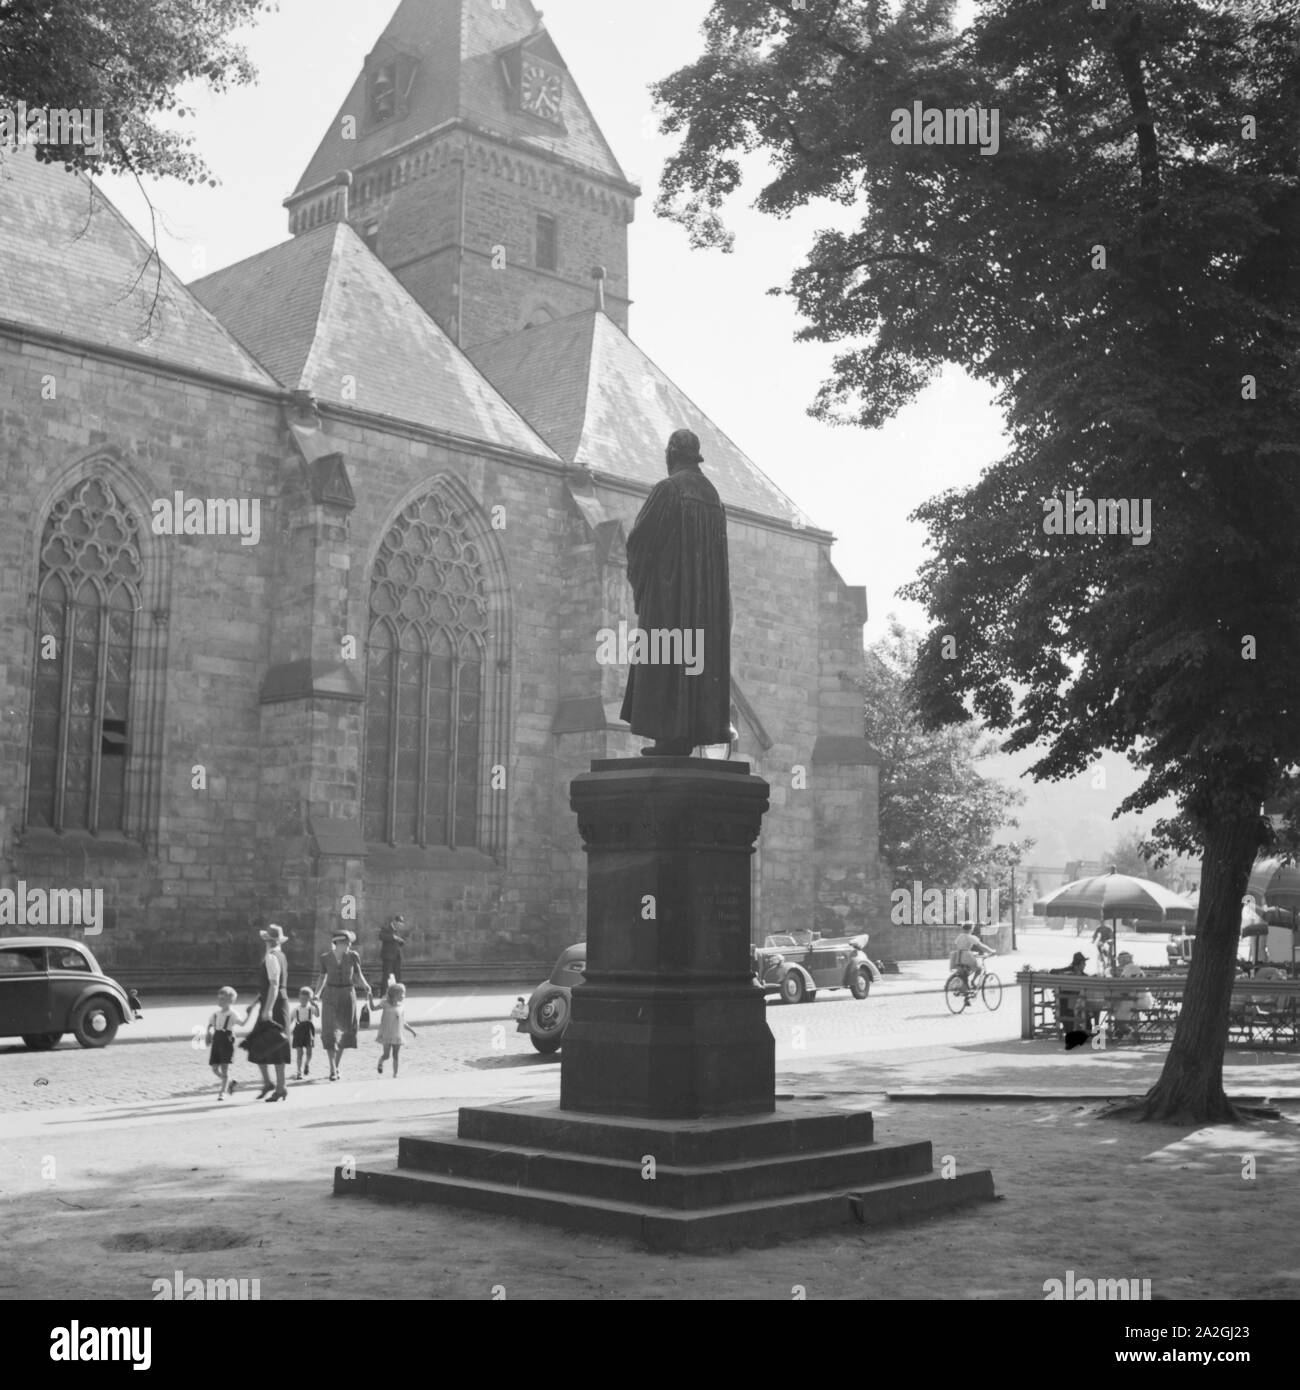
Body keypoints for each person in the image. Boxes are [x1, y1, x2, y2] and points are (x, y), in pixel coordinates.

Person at [619, 428, 732, 756]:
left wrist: (643, 586)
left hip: (669, 602)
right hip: (705, 609)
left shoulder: (668, 490)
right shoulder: (714, 498)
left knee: (666, 660)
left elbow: (639, 542)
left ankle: (667, 737)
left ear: (672, 454)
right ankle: (685, 738)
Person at [315, 929, 373, 1081]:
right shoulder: (325, 958)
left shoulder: (353, 956)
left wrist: (366, 985)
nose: (348, 945)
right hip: (330, 995)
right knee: (330, 1031)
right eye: (346, 943)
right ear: (337, 943)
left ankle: (336, 1065)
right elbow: (322, 977)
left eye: (349, 943)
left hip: (348, 994)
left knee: (345, 1030)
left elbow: (358, 974)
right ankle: (332, 1069)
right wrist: (316, 994)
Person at [243, 924, 292, 1101]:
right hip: (273, 1003)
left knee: (275, 1045)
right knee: (259, 1044)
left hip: (274, 1005)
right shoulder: (280, 956)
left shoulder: (271, 957)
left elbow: (274, 985)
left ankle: (279, 1087)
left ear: (267, 941)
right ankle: (270, 1084)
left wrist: (267, 1009)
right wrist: (256, 1003)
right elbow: (268, 986)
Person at [205, 987, 247, 1100]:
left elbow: (242, 1024)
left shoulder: (232, 1014)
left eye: (223, 999)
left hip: (227, 1041)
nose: (220, 1001)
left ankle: (222, 1092)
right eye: (219, 999)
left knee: (224, 1068)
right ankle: (230, 1082)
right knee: (214, 1068)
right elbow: (210, 1024)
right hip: (217, 1040)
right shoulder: (216, 1014)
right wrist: (208, 1034)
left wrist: (249, 1013)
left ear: (231, 1001)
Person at [376, 982, 418, 1076]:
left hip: (397, 1035)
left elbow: (403, 1022)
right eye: (402, 993)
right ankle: (380, 1062)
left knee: (396, 1055)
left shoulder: (401, 1007)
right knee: (386, 1055)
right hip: (387, 1034)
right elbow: (373, 1008)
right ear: (395, 994)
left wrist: (412, 1031)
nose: (404, 996)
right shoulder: (385, 1004)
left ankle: (395, 1074)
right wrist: (370, 997)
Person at [951, 920, 995, 993]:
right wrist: (991, 951)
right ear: (971, 929)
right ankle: (973, 982)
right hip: (966, 957)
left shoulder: (960, 936)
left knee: (965, 973)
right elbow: (981, 946)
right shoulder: (970, 937)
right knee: (979, 968)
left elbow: (960, 946)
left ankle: (965, 989)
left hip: (959, 957)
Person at [290, 986, 320, 1080]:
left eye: (306, 999)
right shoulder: (296, 1010)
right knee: (299, 1053)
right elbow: (290, 1021)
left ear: (309, 999)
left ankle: (306, 1064)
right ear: (299, 998)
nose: (303, 1001)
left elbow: (318, 1015)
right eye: (302, 998)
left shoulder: (311, 1008)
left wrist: (316, 1005)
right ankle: (299, 1072)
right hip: (298, 1031)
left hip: (308, 1031)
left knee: (309, 1052)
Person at [379, 915, 406, 989]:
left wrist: (401, 941)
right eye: (398, 924)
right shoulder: (386, 928)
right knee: (386, 976)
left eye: (401, 925)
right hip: (388, 957)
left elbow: (398, 941)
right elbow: (381, 936)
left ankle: (398, 993)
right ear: (394, 922)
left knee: (398, 975)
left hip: (397, 956)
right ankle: (383, 994)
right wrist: (393, 937)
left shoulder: (398, 930)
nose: (399, 926)